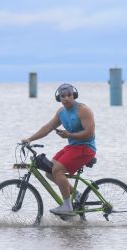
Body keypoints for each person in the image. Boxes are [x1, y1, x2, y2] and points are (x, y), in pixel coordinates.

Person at [22, 83, 96, 216]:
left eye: (69, 95)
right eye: (63, 96)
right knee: (50, 171)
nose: (66, 98)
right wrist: (30, 139)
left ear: (74, 96)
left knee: (58, 170)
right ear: (59, 98)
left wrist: (69, 135)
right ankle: (77, 195)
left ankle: (67, 207)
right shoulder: (61, 112)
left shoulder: (83, 110)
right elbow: (48, 128)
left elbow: (89, 133)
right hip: (73, 147)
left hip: (86, 148)